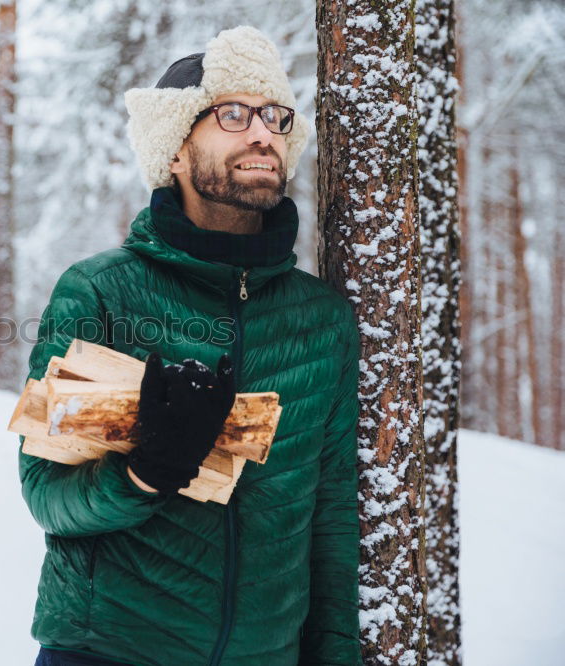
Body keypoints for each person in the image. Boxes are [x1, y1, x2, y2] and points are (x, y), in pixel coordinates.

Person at [19, 26, 361, 666]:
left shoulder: (323, 320)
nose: (263, 133)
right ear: (174, 150)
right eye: (232, 114)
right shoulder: (100, 295)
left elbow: (333, 517)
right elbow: (47, 495)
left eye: (275, 116)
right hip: (108, 650)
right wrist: (147, 473)